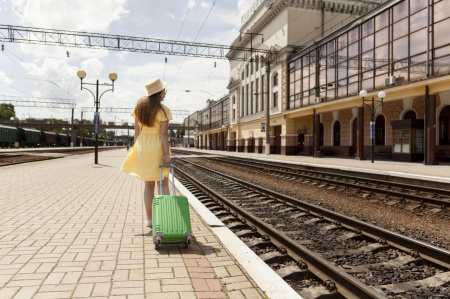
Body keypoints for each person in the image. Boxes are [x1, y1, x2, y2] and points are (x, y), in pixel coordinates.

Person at [121, 78, 172, 228]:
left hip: (143, 147)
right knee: (162, 183)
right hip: (157, 146)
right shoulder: (163, 110)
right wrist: (166, 154)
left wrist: (135, 149)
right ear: (158, 93)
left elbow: (137, 132)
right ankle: (164, 217)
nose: (165, 94)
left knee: (148, 184)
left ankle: (149, 219)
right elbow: (163, 134)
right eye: (164, 91)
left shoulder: (139, 108)